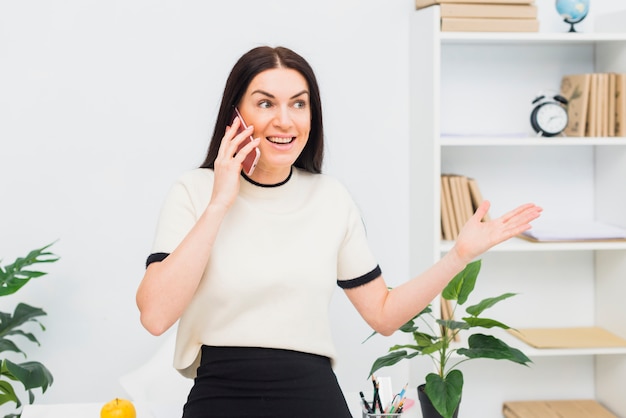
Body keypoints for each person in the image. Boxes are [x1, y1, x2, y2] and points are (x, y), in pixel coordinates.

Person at [135, 45, 542, 418]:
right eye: (265, 103)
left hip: (313, 397)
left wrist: (458, 256)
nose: (284, 120)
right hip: (220, 395)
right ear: (235, 116)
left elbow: (383, 314)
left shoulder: (330, 198)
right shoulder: (194, 191)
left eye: (299, 104)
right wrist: (220, 202)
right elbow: (155, 315)